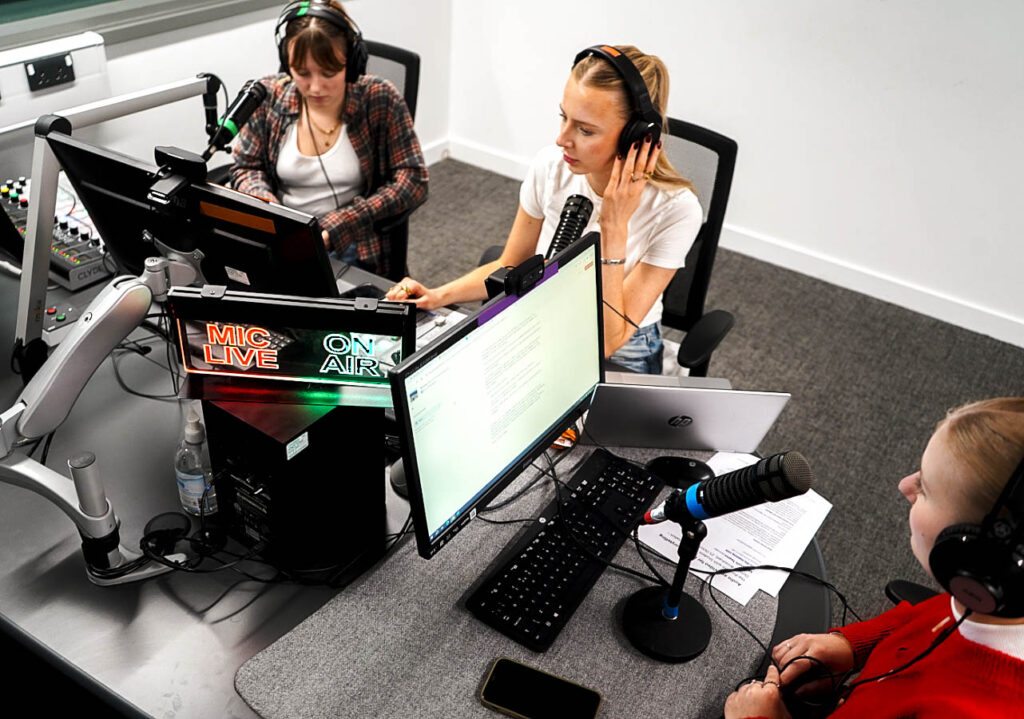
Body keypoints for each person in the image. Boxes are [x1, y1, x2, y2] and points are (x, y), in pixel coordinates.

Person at [385, 45, 702, 374]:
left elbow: (608, 340)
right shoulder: (551, 167)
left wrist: (614, 226)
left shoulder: (676, 210)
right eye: (564, 116)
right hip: (546, 315)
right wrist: (436, 295)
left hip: (624, 349)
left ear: (636, 138)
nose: (561, 139)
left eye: (585, 130)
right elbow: (510, 262)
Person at [725, 397, 1024, 719]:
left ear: (973, 553)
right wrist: (856, 646)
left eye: (924, 488)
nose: (904, 486)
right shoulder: (989, 602)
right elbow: (932, 615)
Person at [230, 0, 427, 278]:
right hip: (282, 240)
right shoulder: (269, 96)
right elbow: (246, 167)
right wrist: (268, 207)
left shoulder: (379, 97)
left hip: (353, 243)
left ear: (353, 60)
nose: (315, 87)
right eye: (303, 73)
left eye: (329, 72)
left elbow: (414, 179)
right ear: (287, 64)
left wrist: (339, 224)